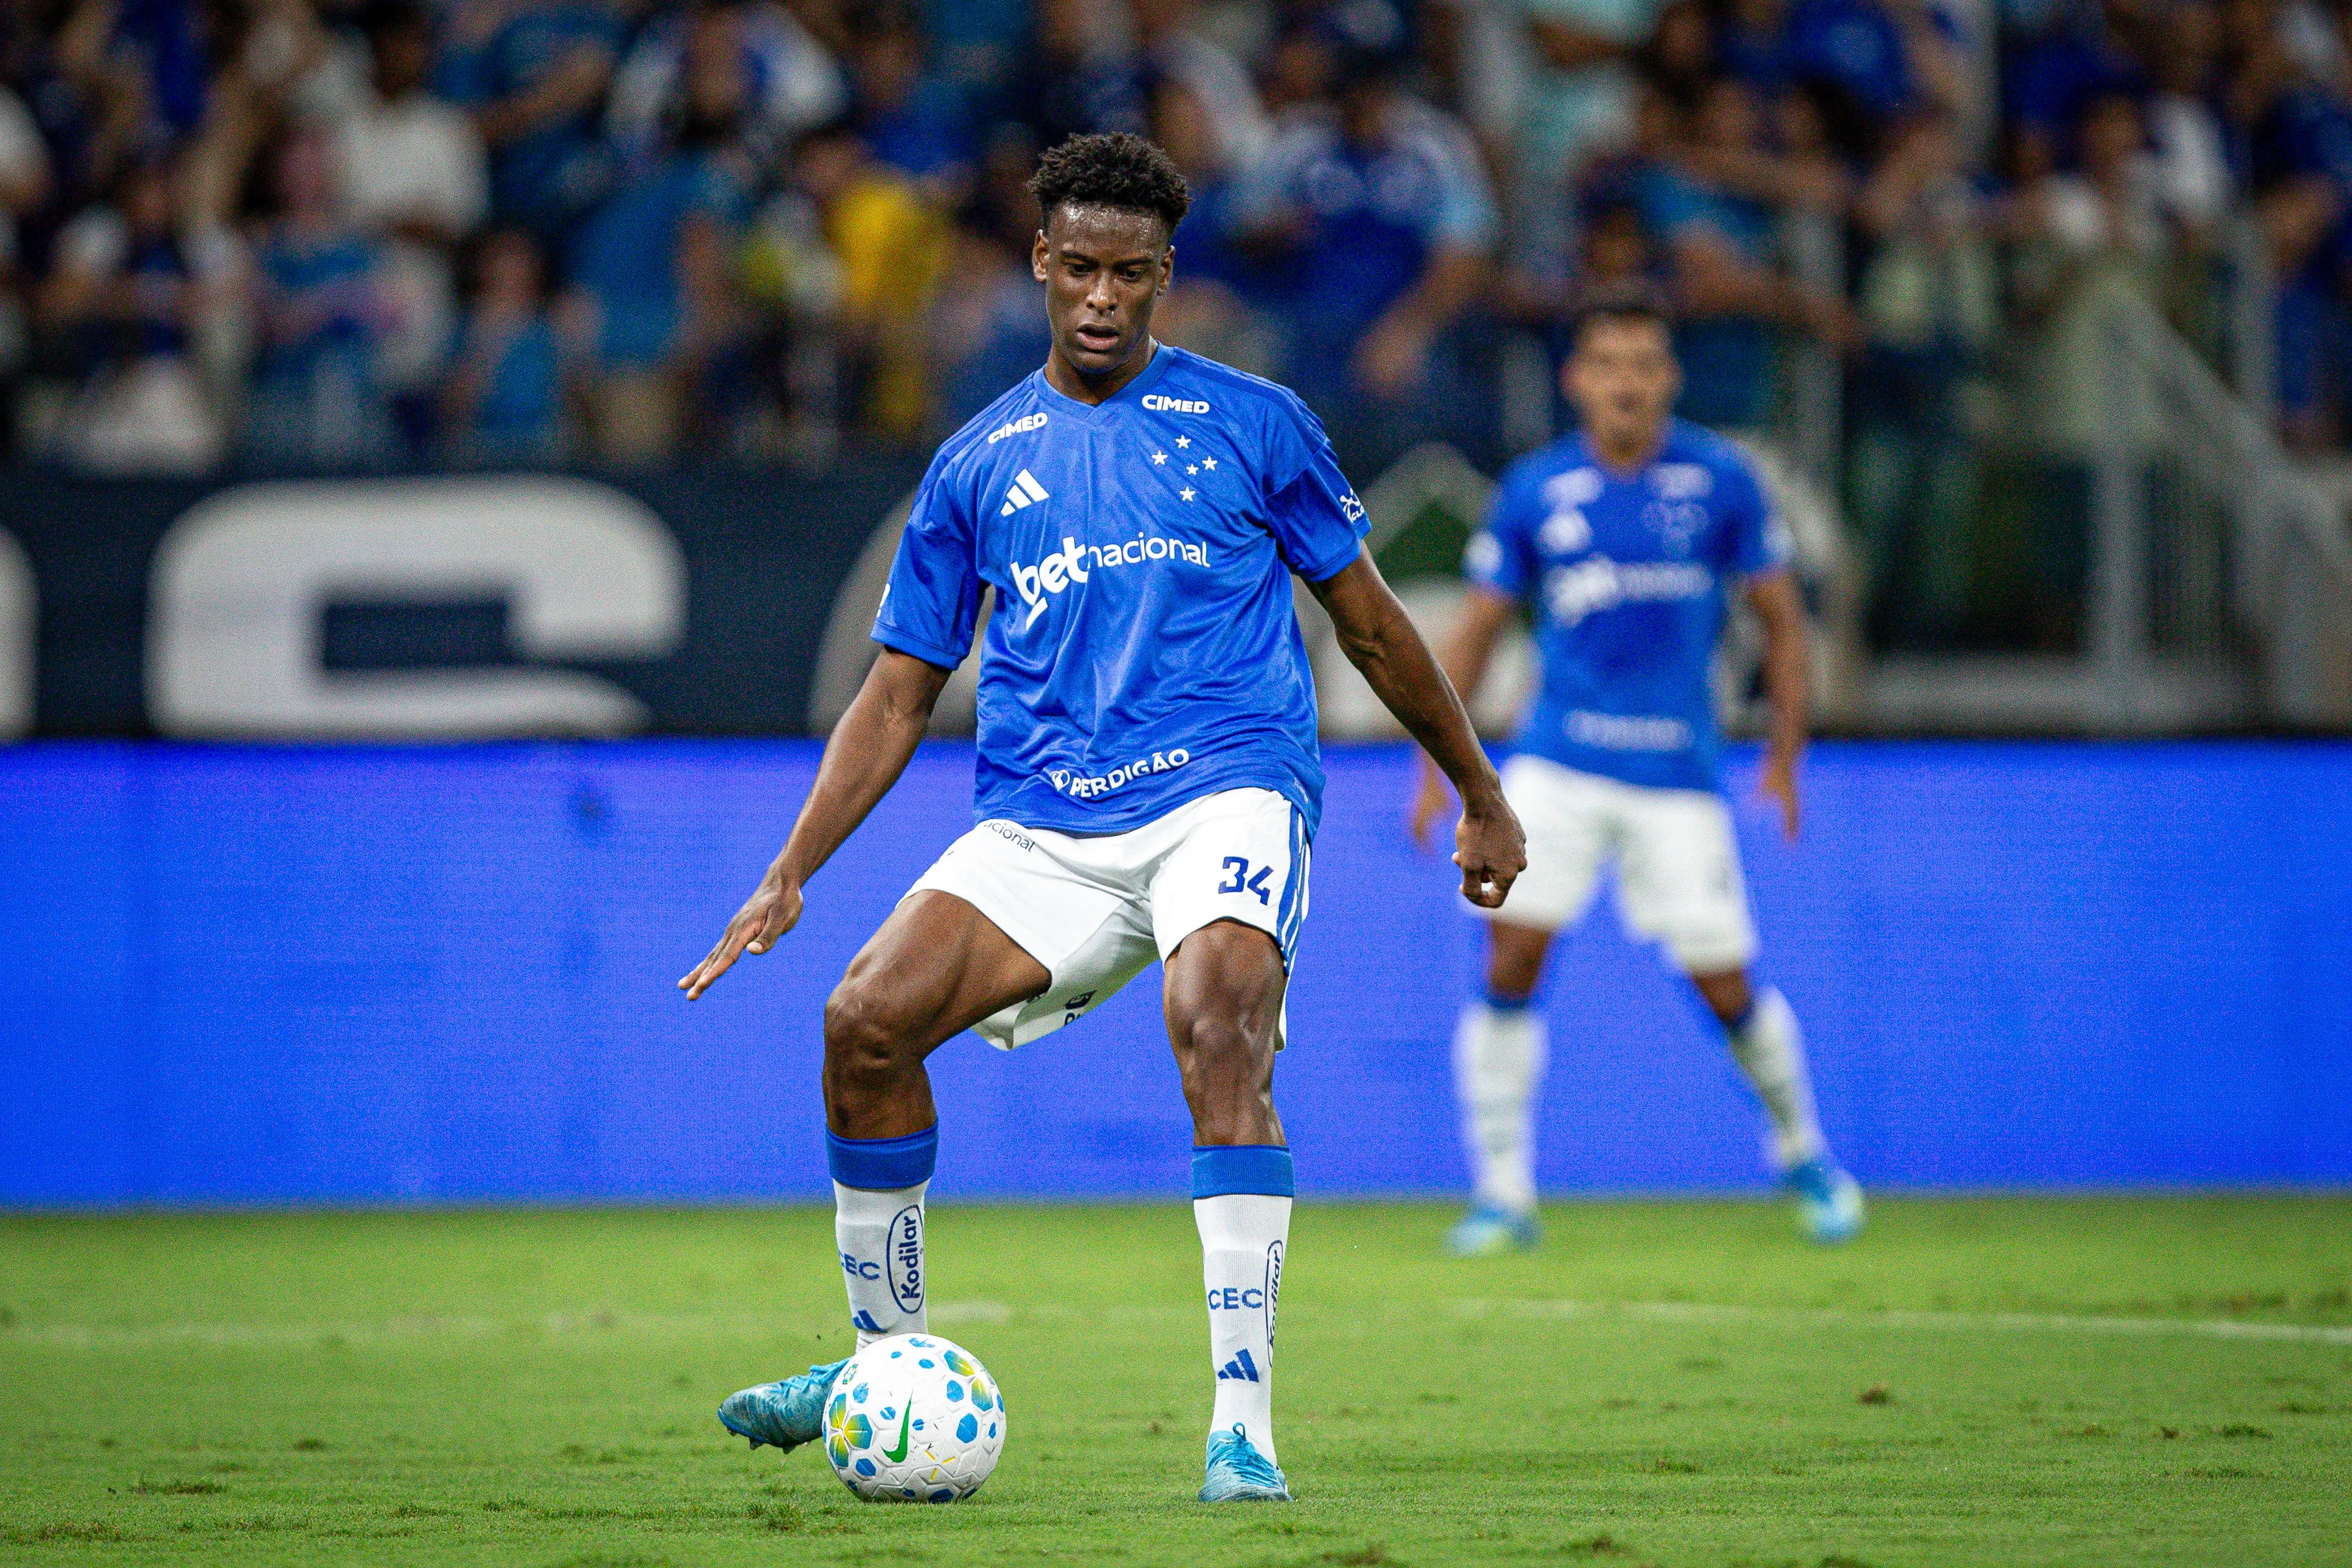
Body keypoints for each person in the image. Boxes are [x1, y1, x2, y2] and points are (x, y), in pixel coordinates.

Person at [678, 131, 1524, 1503]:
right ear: (1039, 263)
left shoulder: (1256, 422)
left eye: (1129, 273)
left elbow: (1368, 624)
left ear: (1165, 276)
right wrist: (789, 872)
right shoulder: (974, 463)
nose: (1100, 297)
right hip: (1044, 827)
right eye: (1077, 267)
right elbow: (897, 695)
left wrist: (1480, 793)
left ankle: (1239, 1418)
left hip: (1228, 788)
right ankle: (881, 1363)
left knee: (1220, 1005)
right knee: (862, 1022)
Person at [1409, 283, 1862, 1256]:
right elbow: (1478, 628)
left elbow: (1784, 622)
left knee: (1724, 981)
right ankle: (1501, 1194)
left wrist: (1784, 755)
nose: (1627, 384)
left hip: (1674, 773)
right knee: (1509, 953)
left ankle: (1803, 1153)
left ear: (1669, 378)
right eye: (1607, 364)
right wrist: (1436, 768)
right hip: (1556, 763)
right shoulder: (1537, 487)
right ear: (1576, 379)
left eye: (1645, 366)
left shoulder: (1719, 480)